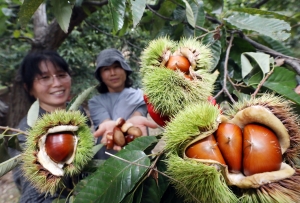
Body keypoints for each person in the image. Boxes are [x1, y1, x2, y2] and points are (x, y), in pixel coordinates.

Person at [9, 50, 90, 203]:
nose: (57, 83)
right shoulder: (25, 132)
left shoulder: (76, 110)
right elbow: (34, 194)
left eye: (61, 75)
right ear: (28, 87)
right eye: (45, 77)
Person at [88, 48, 157, 159]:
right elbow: (105, 122)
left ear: (125, 69)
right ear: (100, 75)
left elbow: (138, 114)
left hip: (138, 157)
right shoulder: (95, 102)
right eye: (106, 69)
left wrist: (132, 125)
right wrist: (114, 129)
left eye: (117, 67)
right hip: (105, 159)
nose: (112, 73)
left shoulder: (141, 96)